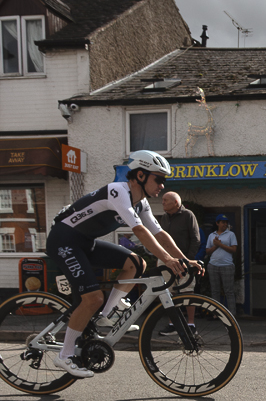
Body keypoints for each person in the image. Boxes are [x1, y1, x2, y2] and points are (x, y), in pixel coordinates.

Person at [46, 151, 201, 377]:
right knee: (93, 298)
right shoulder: (118, 191)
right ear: (140, 175)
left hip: (85, 243)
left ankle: (106, 315)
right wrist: (168, 260)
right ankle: (65, 355)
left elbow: (160, 234)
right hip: (63, 241)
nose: (162, 185)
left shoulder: (142, 203)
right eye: (158, 179)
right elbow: (140, 231)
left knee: (136, 263)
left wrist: (184, 259)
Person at [159, 191, 201, 336]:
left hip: (184, 260)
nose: (162, 202)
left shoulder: (188, 215)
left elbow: (195, 239)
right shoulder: (164, 217)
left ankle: (191, 324)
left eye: (166, 200)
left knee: (187, 290)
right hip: (166, 260)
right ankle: (173, 324)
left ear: (176, 202)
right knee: (168, 292)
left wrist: (188, 260)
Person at [205, 214, 238, 312]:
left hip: (227, 266)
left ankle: (232, 314)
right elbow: (207, 251)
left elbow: (233, 249)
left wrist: (220, 244)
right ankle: (216, 314)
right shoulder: (211, 235)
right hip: (213, 265)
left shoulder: (231, 234)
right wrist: (216, 246)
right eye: (223, 222)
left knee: (229, 291)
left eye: (226, 222)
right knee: (215, 291)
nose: (225, 224)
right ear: (217, 223)